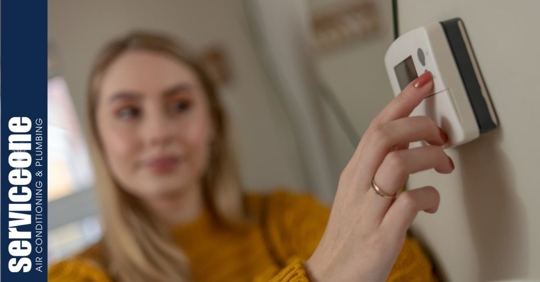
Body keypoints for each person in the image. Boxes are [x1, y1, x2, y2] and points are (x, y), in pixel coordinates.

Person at [49, 31, 452, 282]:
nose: (158, 134)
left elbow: (405, 274)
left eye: (180, 105)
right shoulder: (76, 277)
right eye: (127, 112)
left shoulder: (282, 220)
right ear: (98, 139)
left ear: (214, 123)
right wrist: (318, 275)